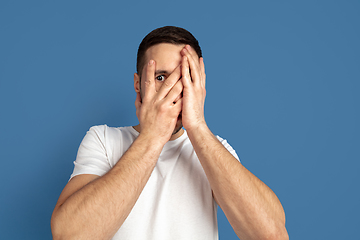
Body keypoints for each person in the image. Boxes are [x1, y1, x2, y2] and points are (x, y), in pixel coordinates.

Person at [51, 26, 288, 240]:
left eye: (185, 78)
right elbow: (70, 235)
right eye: (161, 77)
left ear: (199, 86)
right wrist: (153, 136)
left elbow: (271, 235)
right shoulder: (103, 140)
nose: (173, 90)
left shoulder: (215, 150)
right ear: (138, 85)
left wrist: (197, 127)